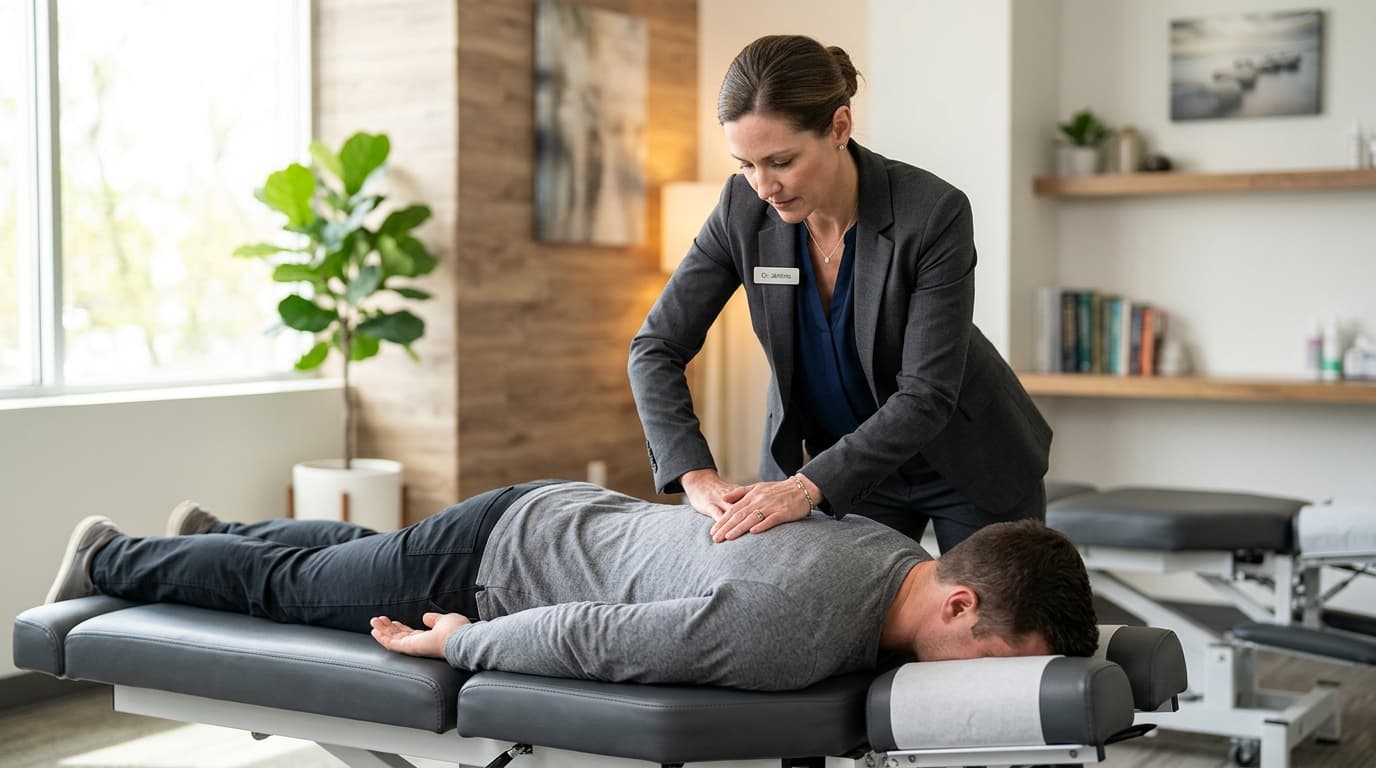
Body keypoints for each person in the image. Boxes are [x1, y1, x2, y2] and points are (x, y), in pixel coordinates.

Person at [47, 480, 1097, 692]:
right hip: (499, 562)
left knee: (347, 554)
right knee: (301, 588)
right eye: (993, 667)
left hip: (555, 516)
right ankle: (115, 554)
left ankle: (212, 532)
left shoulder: (884, 548)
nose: (982, 687)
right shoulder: (791, 632)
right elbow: (597, 636)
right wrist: (454, 643)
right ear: (958, 603)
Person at [629, 35, 1051, 552]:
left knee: (985, 625)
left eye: (781, 161)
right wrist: (695, 474)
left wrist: (803, 488)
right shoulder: (742, 210)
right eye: (745, 164)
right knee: (849, 630)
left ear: (839, 128)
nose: (763, 186)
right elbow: (656, 348)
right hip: (846, 475)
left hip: (968, 461)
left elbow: (925, 395)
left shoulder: (932, 213)